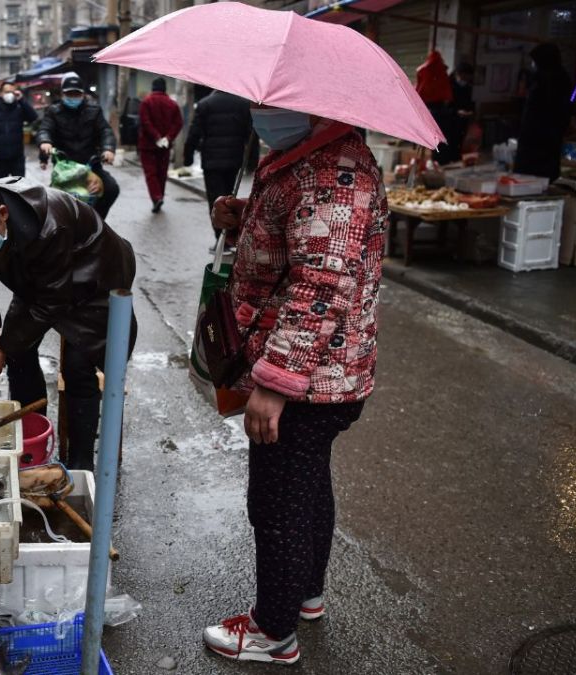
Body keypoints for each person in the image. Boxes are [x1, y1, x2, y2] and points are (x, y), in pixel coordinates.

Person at [201, 107, 386, 665]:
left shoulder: (332, 171)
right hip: (322, 373)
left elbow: (320, 284)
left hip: (309, 379)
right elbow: (299, 243)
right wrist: (245, 216)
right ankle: (305, 595)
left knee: (277, 502)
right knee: (307, 485)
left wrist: (275, 383)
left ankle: (272, 631)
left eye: (272, 106)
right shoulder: (307, 155)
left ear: (310, 105)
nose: (261, 114)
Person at [0, 176, 136, 471]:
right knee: (19, 352)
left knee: (78, 364)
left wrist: (2, 349)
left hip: (96, 272)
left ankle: (80, 461)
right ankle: (33, 442)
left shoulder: (50, 225)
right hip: (41, 279)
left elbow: (51, 302)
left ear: (2, 214)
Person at [35, 76, 120, 218]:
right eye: (69, 94)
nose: (73, 97)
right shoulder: (53, 111)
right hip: (64, 170)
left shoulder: (95, 111)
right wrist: (45, 142)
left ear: (83, 94)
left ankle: (97, 221)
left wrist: (108, 148)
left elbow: (106, 131)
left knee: (111, 189)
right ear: (63, 94)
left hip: (90, 165)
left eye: (76, 94)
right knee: (53, 202)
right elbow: (44, 130)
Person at [184, 89, 253, 240]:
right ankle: (228, 235)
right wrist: (252, 164)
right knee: (230, 198)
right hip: (234, 159)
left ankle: (221, 238)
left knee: (215, 200)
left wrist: (187, 157)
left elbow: (194, 133)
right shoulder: (242, 104)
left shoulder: (204, 104)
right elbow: (251, 134)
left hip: (211, 161)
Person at [514, 43, 572, 181]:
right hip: (546, 135)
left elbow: (554, 107)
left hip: (540, 135)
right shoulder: (556, 76)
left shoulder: (549, 78)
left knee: (533, 173)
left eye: (535, 61)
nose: (533, 64)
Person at [137, 78, 184, 213]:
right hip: (165, 146)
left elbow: (145, 122)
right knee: (162, 173)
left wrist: (156, 137)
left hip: (147, 145)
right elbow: (178, 123)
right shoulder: (172, 104)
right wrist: (168, 138)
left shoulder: (146, 102)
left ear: (153, 88)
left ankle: (157, 197)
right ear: (165, 89)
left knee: (151, 173)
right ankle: (160, 196)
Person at [0, 83, 39, 179]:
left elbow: (33, 117)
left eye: (12, 92)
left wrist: (22, 100)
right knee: (2, 188)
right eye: (7, 92)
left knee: (19, 187)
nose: (10, 94)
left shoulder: (19, 109)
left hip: (17, 157)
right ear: (0, 94)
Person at [443, 60, 476, 164]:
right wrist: (456, 112)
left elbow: (470, 102)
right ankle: (448, 162)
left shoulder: (468, 86)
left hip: (462, 121)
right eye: (466, 76)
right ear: (460, 74)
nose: (467, 79)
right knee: (449, 144)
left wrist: (471, 111)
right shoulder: (448, 85)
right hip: (450, 121)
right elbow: (444, 107)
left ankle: (456, 161)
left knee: (459, 142)